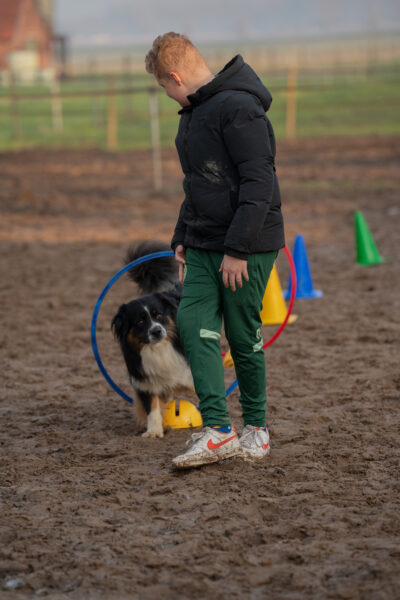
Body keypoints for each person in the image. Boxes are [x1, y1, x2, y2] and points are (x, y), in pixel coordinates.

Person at [145, 33, 285, 469]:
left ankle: (256, 429)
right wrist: (182, 236)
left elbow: (259, 185)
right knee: (194, 325)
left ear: (174, 76)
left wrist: (239, 249)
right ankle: (219, 431)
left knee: (242, 335)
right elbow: (198, 184)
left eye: (164, 87)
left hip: (246, 245)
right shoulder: (193, 114)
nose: (167, 96)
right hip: (204, 244)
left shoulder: (240, 109)